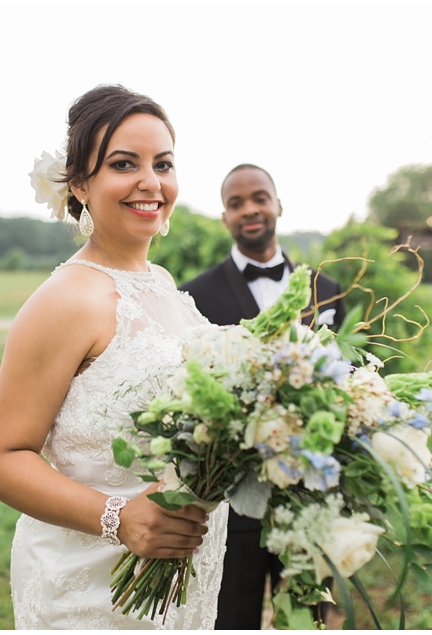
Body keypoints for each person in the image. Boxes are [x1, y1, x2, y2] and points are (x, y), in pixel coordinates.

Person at [0, 85, 228, 630]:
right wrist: (120, 518)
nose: (150, 183)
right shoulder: (66, 300)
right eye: (123, 164)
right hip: (96, 594)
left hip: (181, 588)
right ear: (81, 185)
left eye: (163, 164)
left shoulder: (159, 282)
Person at [180, 163, 345, 630]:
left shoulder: (327, 291)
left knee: (309, 618)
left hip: (310, 497)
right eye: (235, 203)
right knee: (230, 619)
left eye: (258, 198)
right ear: (224, 218)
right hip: (230, 504)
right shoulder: (193, 296)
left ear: (277, 205)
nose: (249, 210)